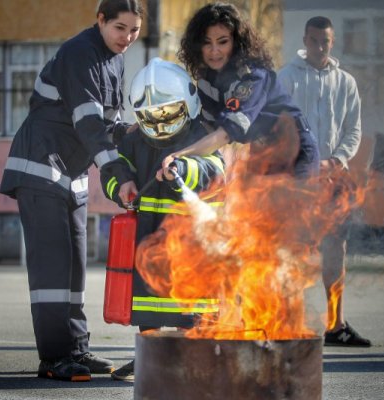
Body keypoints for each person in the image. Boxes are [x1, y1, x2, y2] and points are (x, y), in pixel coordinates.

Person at [0, 0, 143, 381]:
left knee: (75, 266)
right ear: (100, 21)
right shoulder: (80, 53)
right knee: (52, 267)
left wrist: (134, 134)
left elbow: (106, 121)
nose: (127, 38)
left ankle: (76, 347)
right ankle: (53, 358)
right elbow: (88, 121)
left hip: (72, 172)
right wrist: (117, 171)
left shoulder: (114, 58)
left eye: (134, 30)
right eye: (119, 28)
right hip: (40, 166)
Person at [100, 57, 225, 381]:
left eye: (168, 114)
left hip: (193, 244)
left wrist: (182, 169)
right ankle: (148, 358)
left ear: (187, 104)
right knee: (149, 303)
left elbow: (216, 171)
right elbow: (113, 169)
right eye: (151, 118)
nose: (160, 124)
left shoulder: (201, 134)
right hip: (149, 237)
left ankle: (201, 360)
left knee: (194, 307)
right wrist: (121, 185)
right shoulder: (132, 139)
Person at [277, 16, 368, 347]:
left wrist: (336, 160)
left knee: (334, 249)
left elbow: (353, 130)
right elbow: (276, 129)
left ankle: (335, 325)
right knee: (295, 250)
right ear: (305, 39)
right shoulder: (285, 79)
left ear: (332, 42)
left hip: (333, 178)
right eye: (313, 40)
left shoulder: (346, 83)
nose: (319, 46)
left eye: (324, 41)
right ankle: (291, 323)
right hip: (297, 180)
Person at [159, 2, 319, 180]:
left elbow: (225, 134)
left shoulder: (252, 77)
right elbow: (206, 129)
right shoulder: (205, 81)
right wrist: (155, 119)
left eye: (223, 42)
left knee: (296, 206)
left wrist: (179, 155)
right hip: (262, 153)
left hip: (296, 148)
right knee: (257, 208)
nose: (214, 51)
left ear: (237, 42)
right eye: (206, 43)